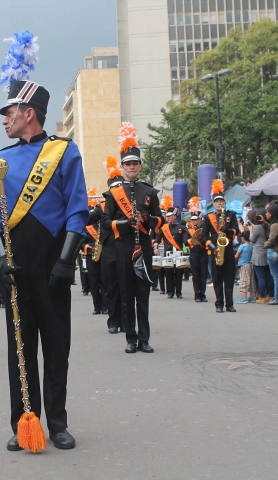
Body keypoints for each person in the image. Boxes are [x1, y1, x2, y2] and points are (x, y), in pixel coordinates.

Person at [0, 79, 88, 451]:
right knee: (21, 347)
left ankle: (57, 422)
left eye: (8, 113)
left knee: (57, 345)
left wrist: (66, 261)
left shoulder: (65, 152)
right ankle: (24, 421)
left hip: (53, 263)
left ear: (29, 114)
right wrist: (0, 259)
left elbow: (78, 211)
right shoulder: (1, 158)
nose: (4, 120)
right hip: (17, 266)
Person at [101, 122, 163, 354]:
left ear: (140, 165)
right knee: (126, 295)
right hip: (122, 248)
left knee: (143, 296)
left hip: (144, 247)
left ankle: (144, 339)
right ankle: (130, 337)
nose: (132, 167)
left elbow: (160, 221)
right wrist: (127, 223)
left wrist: (146, 220)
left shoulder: (150, 192)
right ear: (123, 166)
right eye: (128, 164)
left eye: (135, 163)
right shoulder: (113, 194)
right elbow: (106, 222)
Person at [91, 159, 123, 333]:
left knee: (125, 288)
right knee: (110, 288)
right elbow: (87, 220)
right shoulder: (102, 206)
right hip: (108, 252)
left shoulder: (128, 206)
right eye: (115, 188)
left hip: (125, 250)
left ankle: (125, 320)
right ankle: (113, 320)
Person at [201, 179, 240, 313]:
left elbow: (236, 231)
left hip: (228, 250)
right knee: (217, 279)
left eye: (221, 201)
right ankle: (219, 304)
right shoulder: (208, 217)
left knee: (229, 278)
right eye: (217, 201)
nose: (219, 203)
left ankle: (229, 304)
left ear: (224, 202)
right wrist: (213, 247)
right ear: (214, 203)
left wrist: (226, 230)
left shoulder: (231, 215)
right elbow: (203, 236)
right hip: (215, 250)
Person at [155, 206, 188, 299]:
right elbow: (157, 239)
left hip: (178, 253)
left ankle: (178, 292)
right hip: (168, 254)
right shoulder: (164, 228)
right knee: (168, 274)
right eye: (167, 216)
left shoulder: (181, 228)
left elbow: (185, 240)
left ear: (175, 216)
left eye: (170, 216)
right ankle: (170, 292)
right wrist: (155, 247)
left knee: (178, 274)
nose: (168, 218)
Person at [83, 190, 104, 314]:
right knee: (94, 282)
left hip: (104, 255)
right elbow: (81, 243)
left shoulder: (103, 225)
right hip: (92, 256)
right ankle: (97, 306)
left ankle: (106, 305)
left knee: (106, 282)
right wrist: (90, 248)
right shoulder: (87, 226)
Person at [186, 197, 208, 302]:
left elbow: (206, 239)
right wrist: (192, 240)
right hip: (194, 253)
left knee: (203, 274)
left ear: (200, 219)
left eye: (196, 219)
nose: (194, 221)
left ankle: (203, 293)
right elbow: (185, 242)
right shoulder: (188, 230)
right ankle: (197, 294)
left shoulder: (204, 229)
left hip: (203, 252)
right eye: (192, 219)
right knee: (196, 274)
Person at [263, 202, 278, 305]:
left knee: (276, 276)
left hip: (273, 251)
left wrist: (264, 245)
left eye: (267, 212)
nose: (266, 214)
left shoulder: (274, 225)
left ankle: (276, 297)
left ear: (271, 213)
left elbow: (272, 239)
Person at [250, 209, 273, 303]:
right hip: (267, 252)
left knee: (261, 277)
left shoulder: (257, 227)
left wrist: (251, 230)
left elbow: (252, 239)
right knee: (269, 276)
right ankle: (271, 294)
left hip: (258, 254)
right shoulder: (268, 226)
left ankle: (262, 296)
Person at [235, 230, 256, 303]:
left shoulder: (242, 246)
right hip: (250, 264)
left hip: (243, 265)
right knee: (251, 280)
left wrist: (237, 256)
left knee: (244, 280)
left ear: (243, 238)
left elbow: (236, 256)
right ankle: (251, 296)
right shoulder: (251, 246)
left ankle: (244, 298)